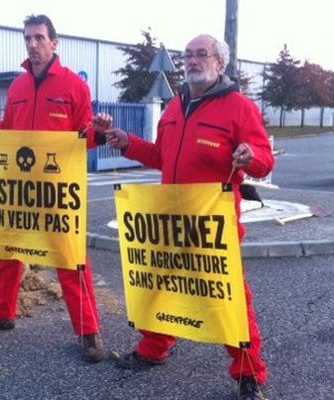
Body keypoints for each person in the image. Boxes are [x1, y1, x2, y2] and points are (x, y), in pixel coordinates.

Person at [103, 34, 274, 400]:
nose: (193, 61)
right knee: (162, 286)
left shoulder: (239, 108)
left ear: (220, 63)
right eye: (189, 56)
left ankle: (249, 374)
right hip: (171, 223)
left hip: (214, 226)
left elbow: (264, 160)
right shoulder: (175, 108)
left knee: (229, 299)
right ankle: (155, 348)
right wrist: (128, 143)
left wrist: (250, 156)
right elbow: (162, 157)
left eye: (202, 54)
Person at [0, 14, 110, 363]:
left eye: (39, 38)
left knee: (72, 259)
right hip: (20, 189)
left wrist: (99, 131)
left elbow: (85, 138)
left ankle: (88, 332)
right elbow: (9, 135)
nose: (32, 44)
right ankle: (2, 314)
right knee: (9, 248)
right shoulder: (18, 87)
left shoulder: (74, 86)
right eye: (28, 38)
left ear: (55, 43)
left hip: (57, 192)